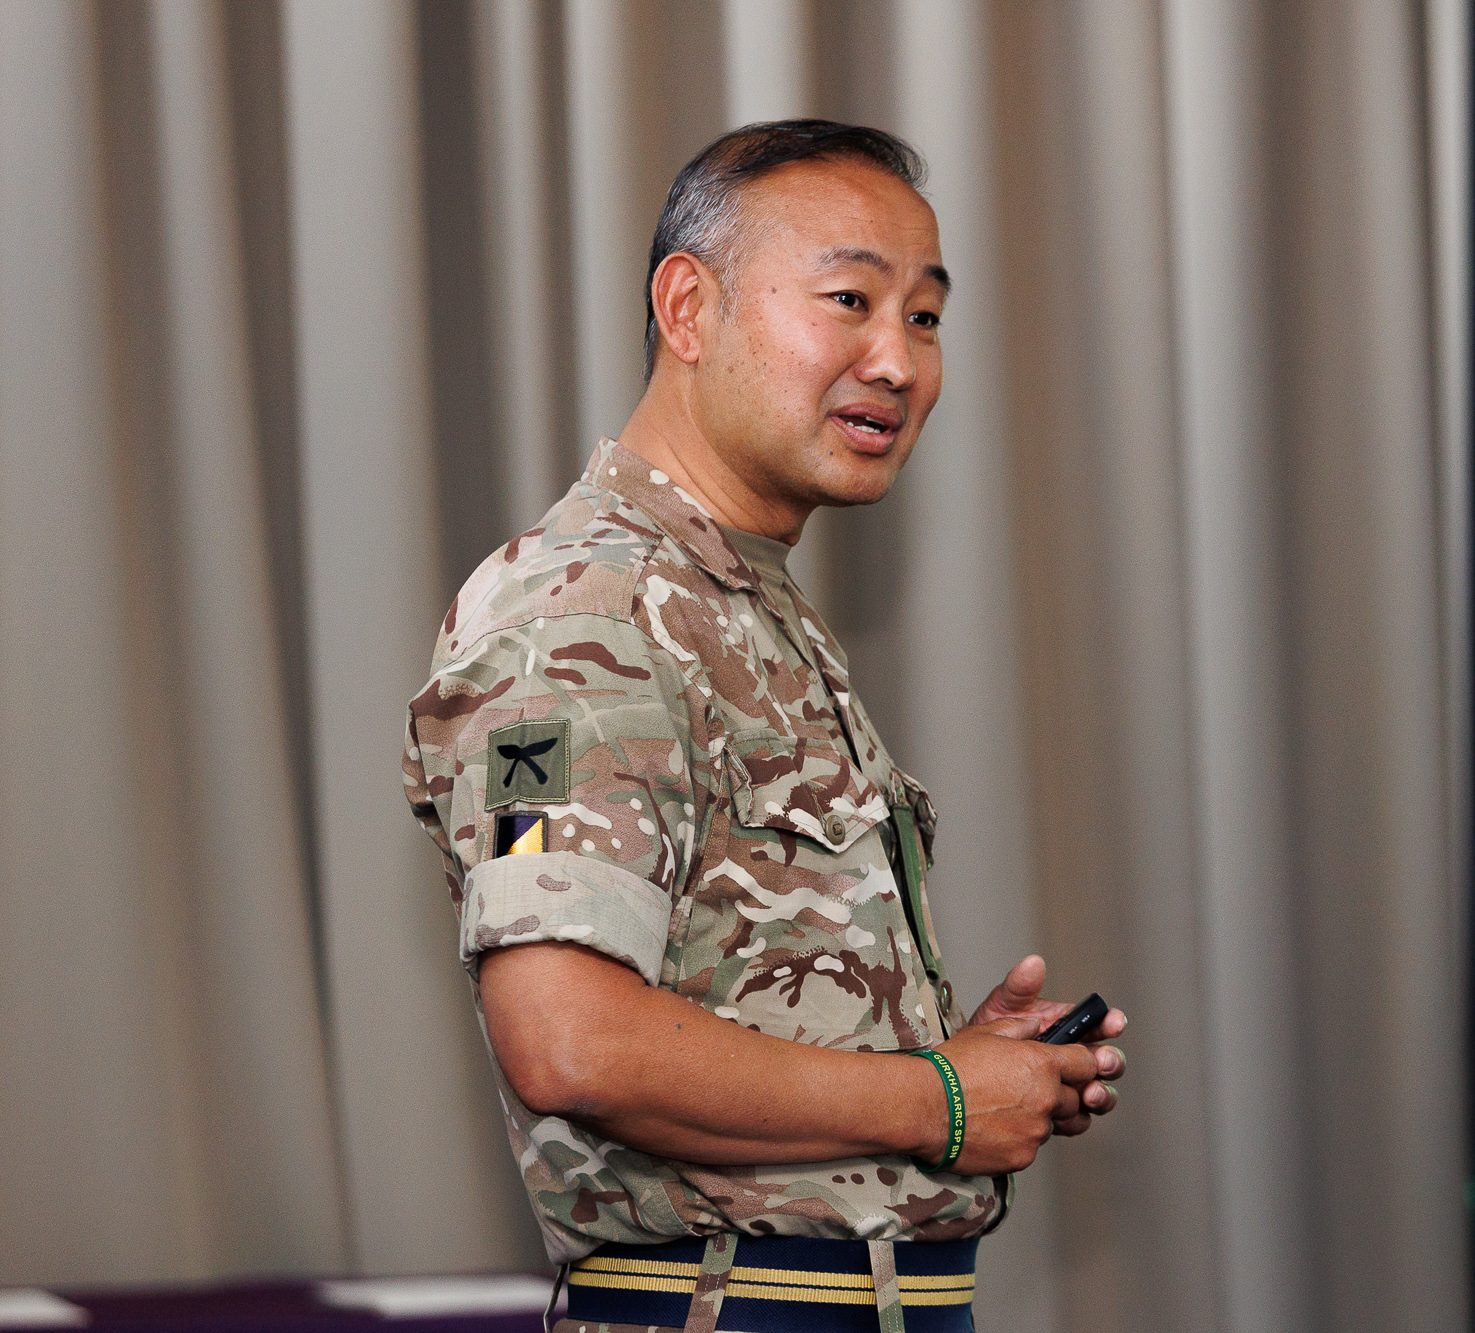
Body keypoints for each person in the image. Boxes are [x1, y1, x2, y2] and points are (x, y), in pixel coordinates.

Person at [404, 120, 1126, 1333]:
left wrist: (949, 1061)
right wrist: (940, 1099)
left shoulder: (737, 602)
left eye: (925, 317)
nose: (896, 360)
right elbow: (569, 1039)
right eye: (850, 301)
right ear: (687, 309)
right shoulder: (580, 610)